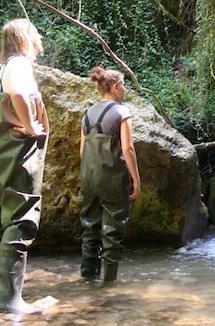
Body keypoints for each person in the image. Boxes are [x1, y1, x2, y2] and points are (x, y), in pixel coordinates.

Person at [0, 19, 48, 315]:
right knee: (21, 219)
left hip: (2, 153)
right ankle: (7, 300)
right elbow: (17, 93)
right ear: (24, 38)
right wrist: (29, 127)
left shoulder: (4, 69)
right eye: (35, 32)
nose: (39, 36)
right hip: (20, 155)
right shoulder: (19, 66)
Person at [79, 66, 140, 283]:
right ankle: (109, 282)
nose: (125, 90)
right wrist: (136, 179)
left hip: (89, 177)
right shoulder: (122, 112)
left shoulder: (87, 115)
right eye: (123, 86)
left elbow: (82, 151)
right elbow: (128, 149)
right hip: (112, 178)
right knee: (113, 228)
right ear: (115, 87)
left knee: (90, 226)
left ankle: (87, 277)